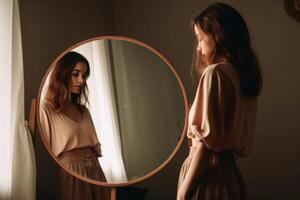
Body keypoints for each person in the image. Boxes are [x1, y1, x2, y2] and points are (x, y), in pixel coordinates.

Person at [177, 3, 263, 200]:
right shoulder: (243, 76)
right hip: (230, 176)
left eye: (200, 39)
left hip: (207, 175)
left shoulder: (216, 73)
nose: (198, 48)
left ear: (218, 36)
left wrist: (183, 194)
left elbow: (206, 145)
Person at [39, 51, 110, 200]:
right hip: (71, 172)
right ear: (62, 75)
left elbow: (94, 149)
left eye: (84, 76)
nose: (81, 80)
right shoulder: (46, 109)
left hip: (96, 170)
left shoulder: (83, 110)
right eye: (75, 74)